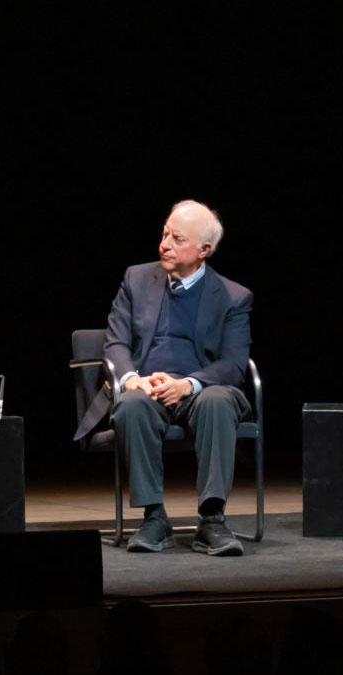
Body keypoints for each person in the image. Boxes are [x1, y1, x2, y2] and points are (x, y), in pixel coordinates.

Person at [74, 200, 253, 556]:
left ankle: (212, 519)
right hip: (147, 388)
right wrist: (131, 378)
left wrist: (188, 384)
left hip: (201, 390)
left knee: (218, 401)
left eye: (177, 239)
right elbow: (116, 342)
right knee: (131, 405)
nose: (165, 244)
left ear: (204, 250)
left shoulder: (233, 297)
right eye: (165, 233)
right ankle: (154, 517)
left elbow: (234, 364)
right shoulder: (136, 279)